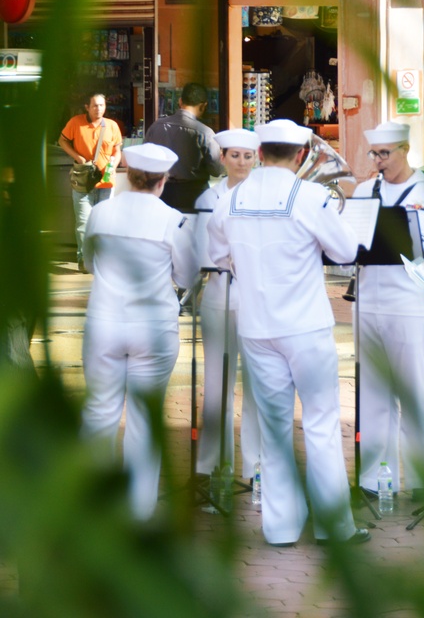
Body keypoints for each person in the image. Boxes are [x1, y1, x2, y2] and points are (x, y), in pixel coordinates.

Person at [207, 119, 367, 547]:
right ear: (300, 156)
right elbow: (346, 252)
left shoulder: (231, 198)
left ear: (259, 154)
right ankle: (333, 526)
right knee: (320, 423)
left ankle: (279, 528)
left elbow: (218, 256)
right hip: (305, 326)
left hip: (257, 327)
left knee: (275, 429)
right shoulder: (310, 196)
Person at [80, 143, 197, 521]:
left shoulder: (100, 213)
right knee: (145, 421)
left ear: (129, 176)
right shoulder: (172, 220)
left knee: (99, 411)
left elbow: (87, 260)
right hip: (153, 329)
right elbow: (187, 275)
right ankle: (138, 512)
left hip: (104, 323)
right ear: (162, 182)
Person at [353, 121, 424, 501]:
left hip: (410, 303)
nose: (379, 162)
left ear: (405, 150)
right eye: (374, 154)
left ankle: (420, 482)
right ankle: (373, 479)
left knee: (411, 392)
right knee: (373, 394)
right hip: (367, 302)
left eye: (385, 154)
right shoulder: (365, 190)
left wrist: (403, 232)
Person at [194, 129, 260, 481]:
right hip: (219, 295)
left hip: (255, 300)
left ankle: (255, 468)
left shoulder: (265, 196)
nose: (242, 163)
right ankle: (212, 464)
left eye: (248, 156)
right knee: (217, 384)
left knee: (256, 385)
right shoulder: (210, 197)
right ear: (223, 158)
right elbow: (205, 252)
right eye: (235, 155)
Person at [58, 92, 123, 272]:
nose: (98, 109)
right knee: (84, 223)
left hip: (106, 182)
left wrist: (114, 164)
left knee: (104, 223)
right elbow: (62, 140)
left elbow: (117, 150)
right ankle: (84, 259)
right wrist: (78, 157)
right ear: (87, 107)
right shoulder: (75, 122)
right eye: (95, 105)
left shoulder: (111, 126)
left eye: (102, 105)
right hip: (83, 181)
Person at [145, 82, 224, 214]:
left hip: (161, 192)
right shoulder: (205, 132)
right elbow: (217, 170)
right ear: (203, 106)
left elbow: (145, 161)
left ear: (180, 101)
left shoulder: (156, 126)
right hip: (194, 195)